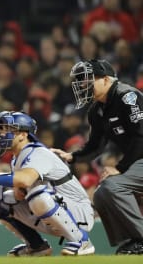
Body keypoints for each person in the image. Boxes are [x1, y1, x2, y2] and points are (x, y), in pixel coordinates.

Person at [51, 59, 143, 255]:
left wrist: (121, 168)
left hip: (138, 157)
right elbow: (96, 145)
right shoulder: (97, 110)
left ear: (106, 79)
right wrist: (73, 156)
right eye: (80, 81)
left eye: (87, 80)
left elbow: (141, 134)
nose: (83, 85)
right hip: (137, 160)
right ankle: (133, 241)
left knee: (113, 186)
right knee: (101, 194)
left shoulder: (128, 96)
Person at [0, 111, 95, 256]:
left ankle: (82, 241)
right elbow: (20, 191)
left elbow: (25, 179)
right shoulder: (16, 159)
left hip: (77, 212)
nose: (1, 133)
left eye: (7, 129)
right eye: (0, 129)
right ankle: (37, 246)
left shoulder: (38, 152)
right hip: (52, 211)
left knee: (38, 195)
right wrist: (18, 190)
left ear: (23, 134)